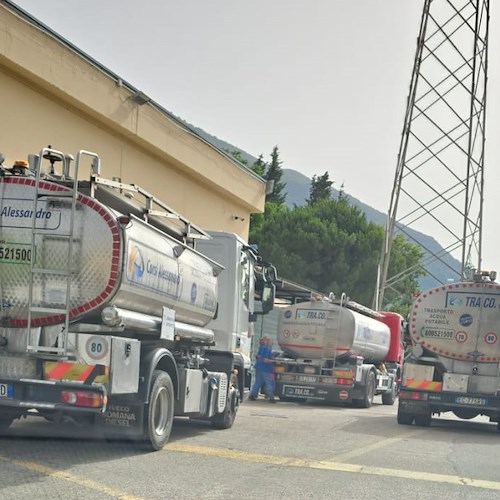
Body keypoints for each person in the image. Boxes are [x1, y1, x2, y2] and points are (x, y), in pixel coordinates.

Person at [249, 336, 276, 402]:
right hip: (266, 369)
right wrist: (274, 361)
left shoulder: (262, 348)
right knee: (269, 382)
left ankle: (253, 394)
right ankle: (271, 397)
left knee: (258, 382)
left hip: (259, 367)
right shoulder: (267, 349)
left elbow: (258, 357)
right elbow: (265, 360)